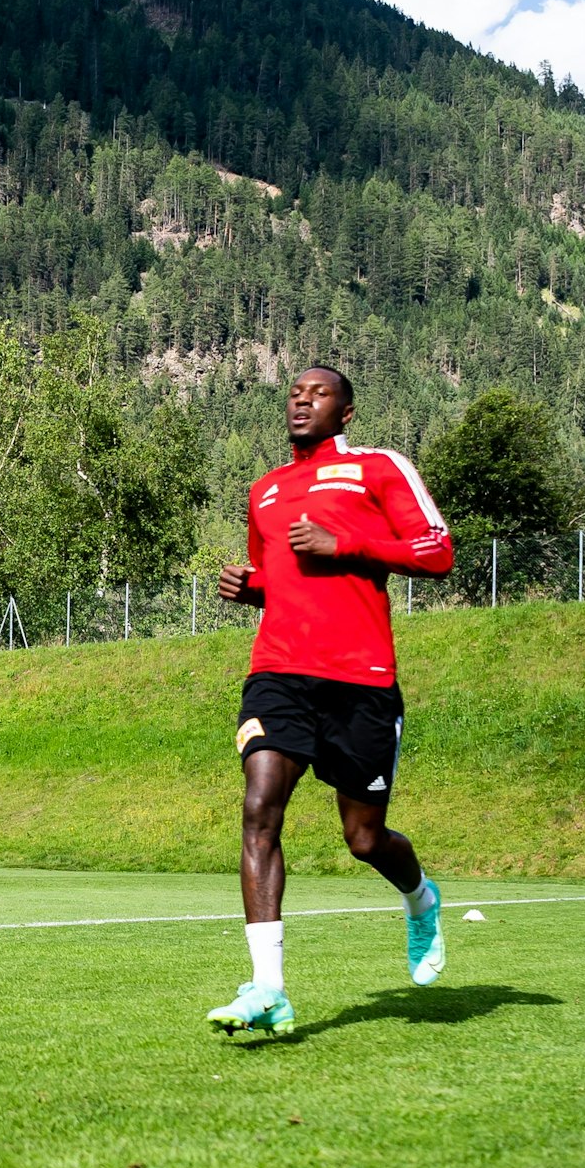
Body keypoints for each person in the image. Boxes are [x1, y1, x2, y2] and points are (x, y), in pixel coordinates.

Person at [209, 368, 454, 1037]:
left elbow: (438, 552)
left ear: (346, 411)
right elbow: (281, 582)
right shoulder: (264, 490)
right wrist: (249, 587)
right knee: (260, 807)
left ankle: (421, 899)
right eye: (294, 391)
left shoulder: (377, 468)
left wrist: (345, 542)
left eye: (318, 393)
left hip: (362, 679)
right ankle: (269, 989)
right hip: (279, 671)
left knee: (364, 838)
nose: (301, 399)